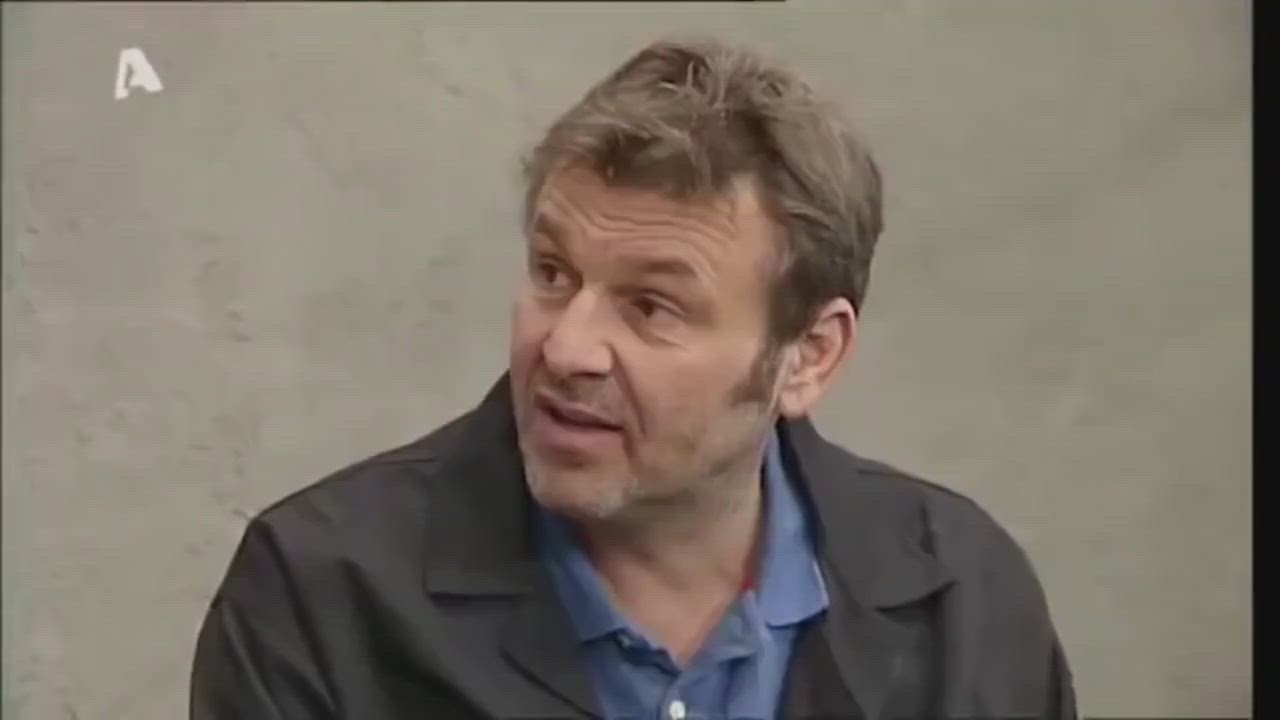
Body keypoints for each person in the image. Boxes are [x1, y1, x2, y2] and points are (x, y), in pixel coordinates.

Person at [190, 37, 1077, 720]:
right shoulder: (321, 596)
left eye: (652, 307)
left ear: (808, 357)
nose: (567, 348)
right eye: (553, 273)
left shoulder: (966, 603)